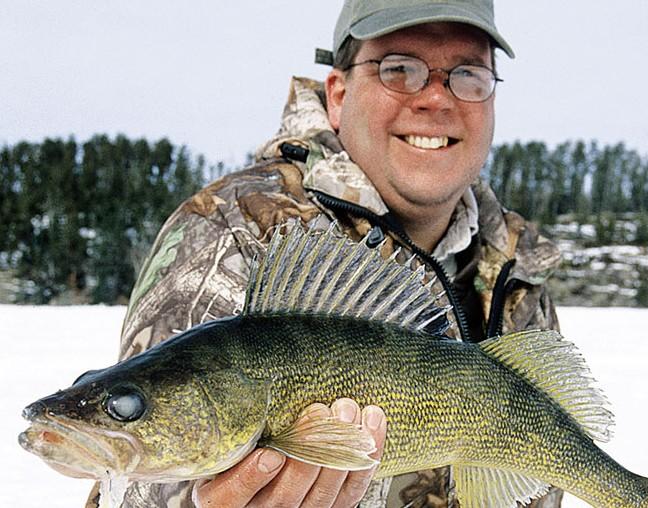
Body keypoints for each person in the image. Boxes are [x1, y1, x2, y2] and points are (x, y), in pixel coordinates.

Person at [85, 1, 563, 506]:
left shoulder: (515, 264)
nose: (436, 99)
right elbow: (140, 475)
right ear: (337, 94)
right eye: (400, 68)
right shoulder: (233, 229)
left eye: (468, 74)